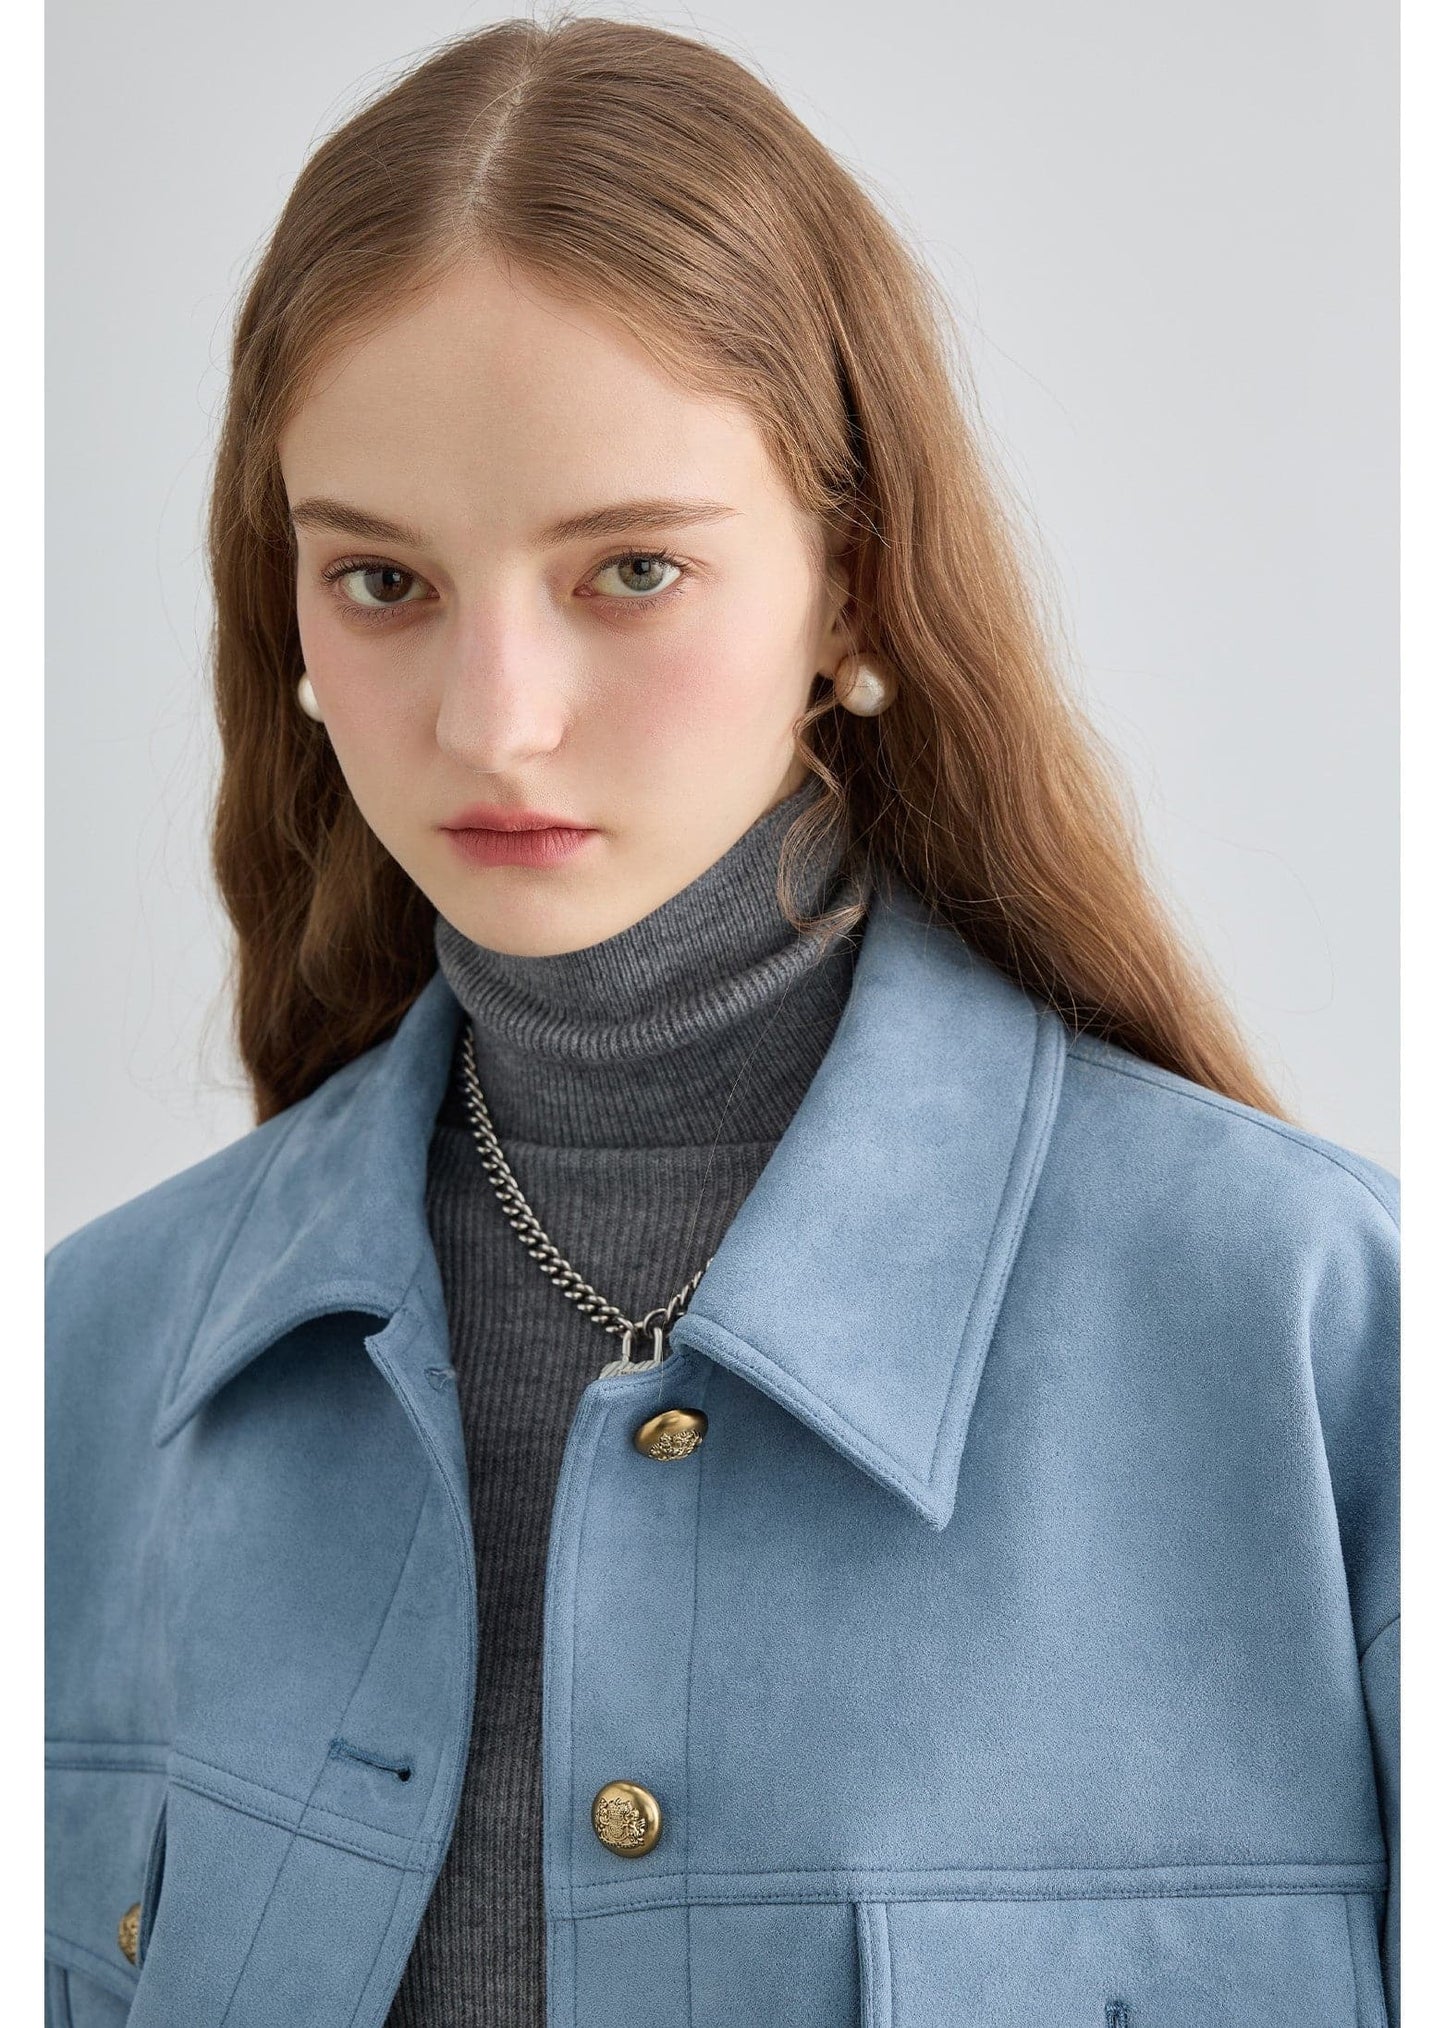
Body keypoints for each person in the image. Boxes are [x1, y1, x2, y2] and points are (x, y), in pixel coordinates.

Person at [44, 14, 1398, 2028]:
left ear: (850, 590)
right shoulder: (89, 1370)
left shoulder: (1314, 1341)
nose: (494, 720)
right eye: (386, 582)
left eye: (631, 569)